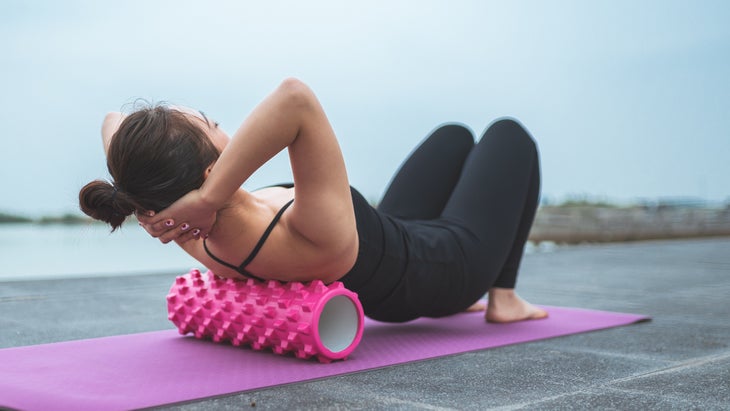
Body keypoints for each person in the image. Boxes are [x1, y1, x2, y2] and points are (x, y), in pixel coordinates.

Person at [80, 78, 547, 324]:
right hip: (449, 272)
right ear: (210, 173)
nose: (230, 130)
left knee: (454, 137)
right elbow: (295, 98)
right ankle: (501, 296)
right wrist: (210, 195)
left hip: (396, 236)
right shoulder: (299, 232)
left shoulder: (194, 233)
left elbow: (111, 120)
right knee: (509, 135)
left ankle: (496, 290)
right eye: (215, 123)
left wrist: (163, 203)